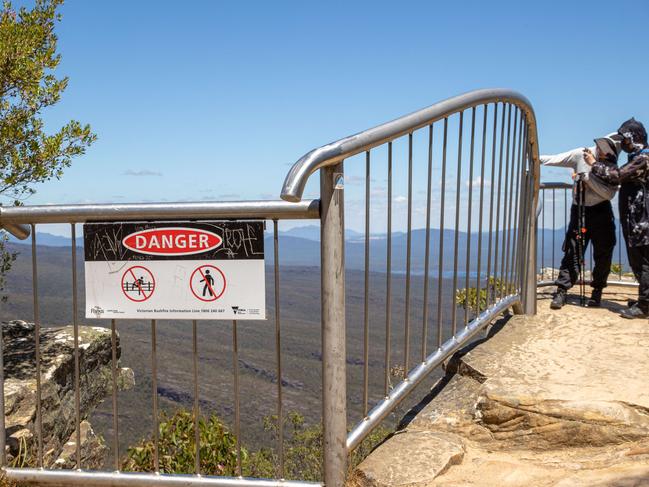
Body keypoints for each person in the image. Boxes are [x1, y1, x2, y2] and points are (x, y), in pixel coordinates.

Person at [540, 134, 621, 309]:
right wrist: (536, 158)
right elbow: (556, 159)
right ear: (598, 148)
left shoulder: (611, 165)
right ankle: (562, 289)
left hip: (601, 210)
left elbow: (608, 194)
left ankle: (597, 291)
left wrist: (586, 178)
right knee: (572, 251)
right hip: (580, 209)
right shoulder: (580, 154)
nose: (604, 157)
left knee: (604, 252)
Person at [588, 118, 649, 318]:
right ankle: (644, 299)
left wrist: (595, 164)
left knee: (644, 261)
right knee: (638, 261)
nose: (622, 143)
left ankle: (645, 306)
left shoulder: (643, 159)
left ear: (634, 138)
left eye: (625, 139)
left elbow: (617, 176)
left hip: (643, 221)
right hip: (636, 220)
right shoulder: (638, 157)